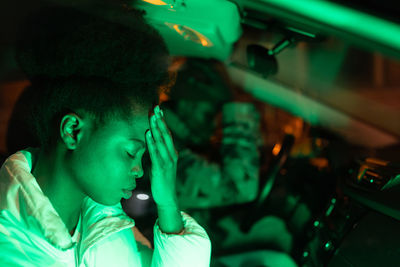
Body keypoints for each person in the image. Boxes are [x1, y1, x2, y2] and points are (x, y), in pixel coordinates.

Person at [0, 5, 211, 267]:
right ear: (72, 132)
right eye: (131, 152)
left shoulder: (107, 225)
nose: (139, 171)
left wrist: (168, 205)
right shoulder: (9, 245)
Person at [161, 58, 261, 209]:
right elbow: (240, 189)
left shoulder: (169, 139)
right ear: (185, 105)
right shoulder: (161, 151)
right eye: (208, 115)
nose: (214, 125)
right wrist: (238, 111)